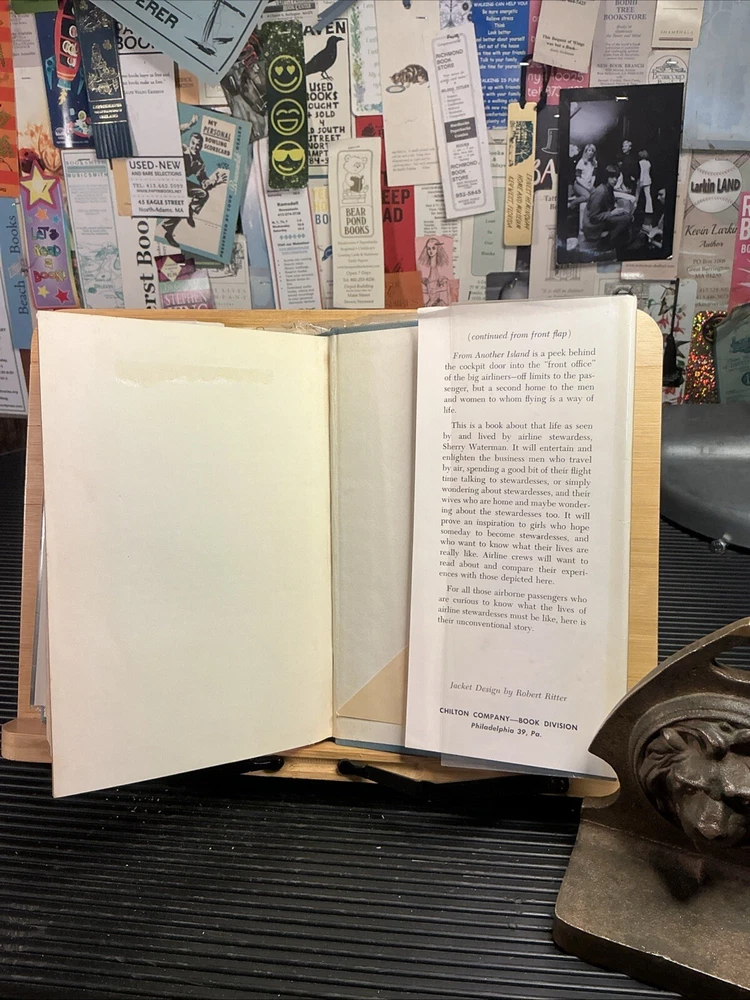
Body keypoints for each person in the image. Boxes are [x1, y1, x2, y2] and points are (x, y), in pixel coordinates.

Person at [162, 123, 227, 248]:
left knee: (203, 193)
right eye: (193, 143)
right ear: (189, 142)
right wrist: (189, 125)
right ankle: (169, 232)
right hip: (168, 178)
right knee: (179, 204)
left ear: (201, 147)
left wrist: (214, 181)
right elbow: (173, 134)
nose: (195, 147)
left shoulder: (199, 163)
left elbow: (203, 181)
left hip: (182, 183)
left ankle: (190, 210)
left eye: (198, 145)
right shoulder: (182, 149)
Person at [582, 165, 632, 252]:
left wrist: (618, 211)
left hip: (602, 219)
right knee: (626, 219)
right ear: (606, 177)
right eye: (612, 177)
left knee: (628, 216)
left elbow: (609, 207)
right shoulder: (600, 192)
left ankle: (621, 244)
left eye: (616, 177)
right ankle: (605, 244)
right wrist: (612, 213)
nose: (615, 180)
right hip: (593, 226)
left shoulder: (609, 188)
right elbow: (593, 217)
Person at [637, 149, 653, 216]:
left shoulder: (640, 163)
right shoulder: (648, 163)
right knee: (648, 195)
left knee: (637, 194)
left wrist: (641, 180)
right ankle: (649, 209)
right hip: (648, 180)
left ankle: (635, 206)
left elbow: (642, 172)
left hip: (642, 180)